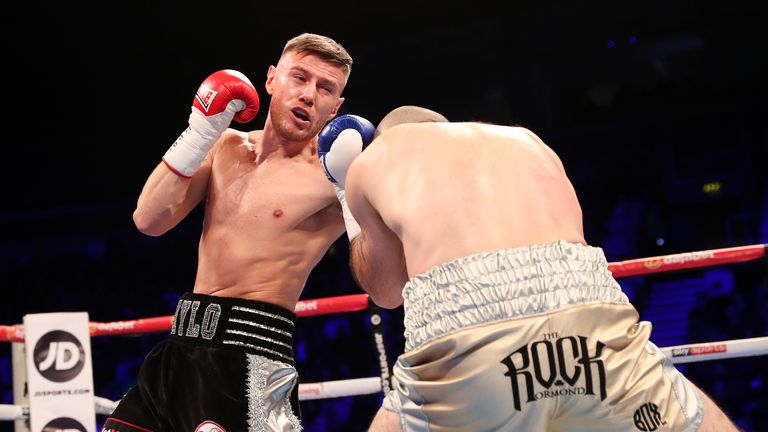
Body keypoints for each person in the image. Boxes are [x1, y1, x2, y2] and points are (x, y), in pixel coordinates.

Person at [318, 106, 741, 431]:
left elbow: (386, 292)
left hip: (470, 323)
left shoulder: (375, 160)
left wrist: (344, 191)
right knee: (694, 416)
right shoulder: (527, 140)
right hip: (586, 302)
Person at [102, 33, 353, 432]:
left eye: (325, 88)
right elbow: (148, 220)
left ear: (336, 107)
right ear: (272, 79)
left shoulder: (333, 174)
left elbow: (384, 275)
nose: (309, 94)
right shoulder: (224, 145)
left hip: (251, 360)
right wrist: (199, 131)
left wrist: (355, 186)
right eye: (300, 78)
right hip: (178, 351)